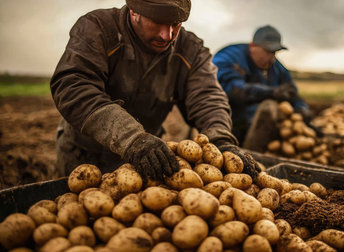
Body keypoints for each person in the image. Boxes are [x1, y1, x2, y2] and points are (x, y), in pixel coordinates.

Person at [50, 0, 260, 182]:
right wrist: (132, 139)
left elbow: (207, 96)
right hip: (84, 156)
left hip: (151, 158)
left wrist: (220, 138)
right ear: (134, 12)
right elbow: (73, 85)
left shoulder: (190, 49)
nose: (167, 35)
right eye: (157, 23)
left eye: (175, 25)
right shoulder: (97, 28)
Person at [212, 25, 311, 150]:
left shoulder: (276, 67)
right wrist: (271, 92)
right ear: (253, 46)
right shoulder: (229, 57)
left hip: (262, 130)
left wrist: (301, 108)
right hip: (229, 124)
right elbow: (233, 90)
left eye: (274, 53)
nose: (272, 58)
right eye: (268, 52)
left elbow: (291, 91)